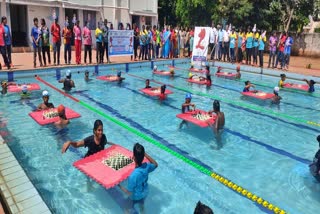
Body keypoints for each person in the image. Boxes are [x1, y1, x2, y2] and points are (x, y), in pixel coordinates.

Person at [118, 143, 158, 214]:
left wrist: (119, 186)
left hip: (135, 197)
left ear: (134, 157)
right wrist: (145, 154)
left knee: (125, 207)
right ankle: (142, 211)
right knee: (141, 204)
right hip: (145, 192)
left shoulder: (133, 176)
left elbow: (129, 192)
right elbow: (155, 164)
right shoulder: (147, 166)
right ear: (143, 157)